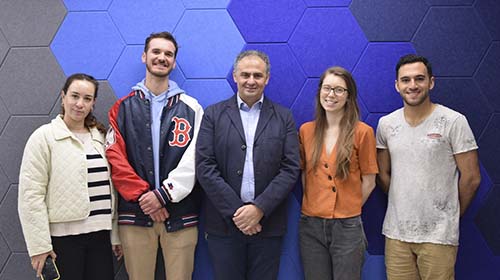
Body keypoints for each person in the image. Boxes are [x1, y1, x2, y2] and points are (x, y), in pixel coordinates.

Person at [105, 31, 203, 280]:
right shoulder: (122, 108)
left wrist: (163, 195)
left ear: (174, 61)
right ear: (144, 56)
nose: (162, 57)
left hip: (180, 215)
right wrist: (144, 197)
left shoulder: (192, 107)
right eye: (156, 52)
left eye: (168, 54)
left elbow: (197, 156)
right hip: (136, 216)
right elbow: (115, 158)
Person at [196, 50, 301, 280]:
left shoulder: (284, 117)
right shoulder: (213, 115)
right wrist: (239, 212)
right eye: (245, 74)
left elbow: (291, 168)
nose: (251, 81)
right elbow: (205, 166)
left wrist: (259, 208)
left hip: (267, 225)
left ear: (267, 79)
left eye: (257, 75)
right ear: (235, 76)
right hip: (223, 227)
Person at [376, 54, 481, 280]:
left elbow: (472, 178)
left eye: (419, 79)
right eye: (406, 80)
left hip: (438, 236)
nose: (412, 85)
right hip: (396, 235)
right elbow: (383, 175)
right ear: (397, 85)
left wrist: (449, 216)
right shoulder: (386, 124)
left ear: (431, 82)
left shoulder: (454, 121)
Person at [18, 73, 122, 280]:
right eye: (74, 96)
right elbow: (31, 195)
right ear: (63, 97)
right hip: (63, 242)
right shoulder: (44, 138)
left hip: (100, 238)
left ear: (93, 104)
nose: (79, 104)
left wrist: (115, 235)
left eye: (87, 99)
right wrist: (39, 246)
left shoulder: (100, 138)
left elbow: (113, 189)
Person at [298, 66, 378, 279]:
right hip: (311, 225)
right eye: (327, 88)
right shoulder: (306, 131)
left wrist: (348, 207)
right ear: (319, 92)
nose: (331, 95)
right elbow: (305, 176)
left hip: (348, 226)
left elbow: (369, 181)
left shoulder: (363, 132)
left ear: (348, 96)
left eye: (339, 90)